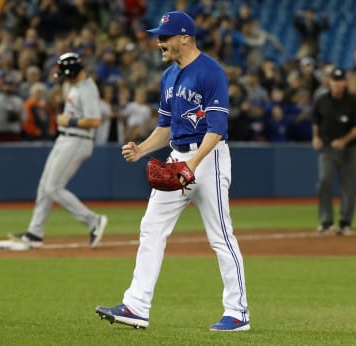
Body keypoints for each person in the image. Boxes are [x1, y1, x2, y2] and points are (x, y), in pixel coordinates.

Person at [95, 11, 250, 331]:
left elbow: (217, 129)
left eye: (164, 37)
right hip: (178, 156)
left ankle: (238, 313)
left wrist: (191, 165)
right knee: (151, 227)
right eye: (158, 36)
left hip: (208, 159)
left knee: (221, 236)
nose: (159, 42)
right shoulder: (168, 76)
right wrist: (142, 149)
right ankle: (136, 306)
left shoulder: (211, 72)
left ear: (185, 38)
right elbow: (165, 127)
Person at [10, 52, 108, 249]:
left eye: (64, 73)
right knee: (45, 185)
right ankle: (35, 233)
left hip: (77, 140)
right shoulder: (74, 86)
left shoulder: (87, 88)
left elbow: (95, 121)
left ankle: (92, 221)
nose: (62, 77)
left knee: (53, 187)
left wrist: (69, 120)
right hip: (66, 138)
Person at [312, 67, 356, 236]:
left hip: (349, 150)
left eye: (340, 80)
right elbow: (316, 121)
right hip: (327, 149)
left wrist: (344, 141)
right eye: (334, 80)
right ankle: (326, 222)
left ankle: (345, 222)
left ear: (345, 82)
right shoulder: (322, 101)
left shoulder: (354, 102)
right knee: (324, 181)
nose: (337, 84)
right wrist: (316, 137)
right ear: (330, 82)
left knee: (348, 186)